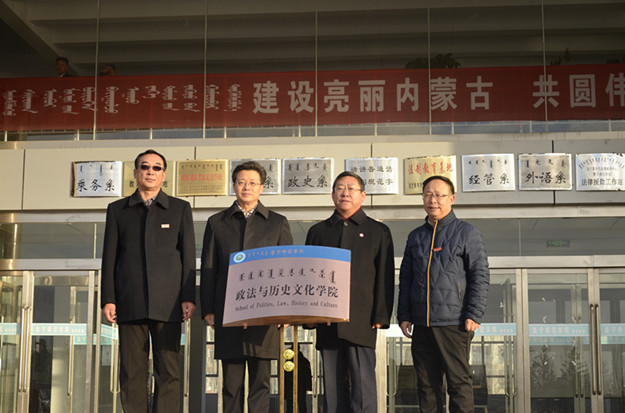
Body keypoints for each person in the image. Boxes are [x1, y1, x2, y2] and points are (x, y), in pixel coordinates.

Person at [101, 149, 196, 413]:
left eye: (156, 167)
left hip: (169, 303)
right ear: (135, 173)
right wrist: (108, 298)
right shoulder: (117, 210)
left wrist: (188, 296)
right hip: (130, 301)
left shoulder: (179, 209)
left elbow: (188, 258)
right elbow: (109, 257)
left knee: (168, 370)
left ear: (164, 175)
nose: (150, 172)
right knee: (131, 370)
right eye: (145, 167)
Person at [200, 160, 293, 413]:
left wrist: (285, 311)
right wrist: (208, 309)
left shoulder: (277, 222)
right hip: (228, 312)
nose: (247, 187)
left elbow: (286, 270)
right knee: (231, 384)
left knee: (261, 383)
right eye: (241, 182)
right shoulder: (217, 222)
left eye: (253, 183)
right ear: (234, 186)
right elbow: (209, 269)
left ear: (262, 188)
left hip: (265, 313)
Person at [397, 175, 490, 413]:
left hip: (454, 323)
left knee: (458, 383)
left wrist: (474, 313)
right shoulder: (416, 236)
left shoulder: (467, 233)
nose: (433, 200)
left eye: (439, 195)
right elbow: (406, 278)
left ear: (452, 199)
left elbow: (479, 274)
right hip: (422, 324)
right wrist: (404, 314)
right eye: (428, 195)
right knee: (426, 386)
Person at [305, 171, 395, 413]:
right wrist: (309, 315)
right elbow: (309, 275)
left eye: (351, 188)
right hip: (326, 319)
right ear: (332, 194)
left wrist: (381, 314)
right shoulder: (318, 231)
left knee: (363, 387)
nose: (345, 193)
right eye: (340, 188)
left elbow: (385, 275)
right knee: (332, 390)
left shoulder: (378, 231)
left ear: (362, 195)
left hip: (362, 319)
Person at [284, 348, 312, 413]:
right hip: (300, 386)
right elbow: (308, 375)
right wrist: (308, 386)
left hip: (292, 386)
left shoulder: (288, 362)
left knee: (291, 405)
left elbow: (286, 376)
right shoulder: (304, 361)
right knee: (301, 405)